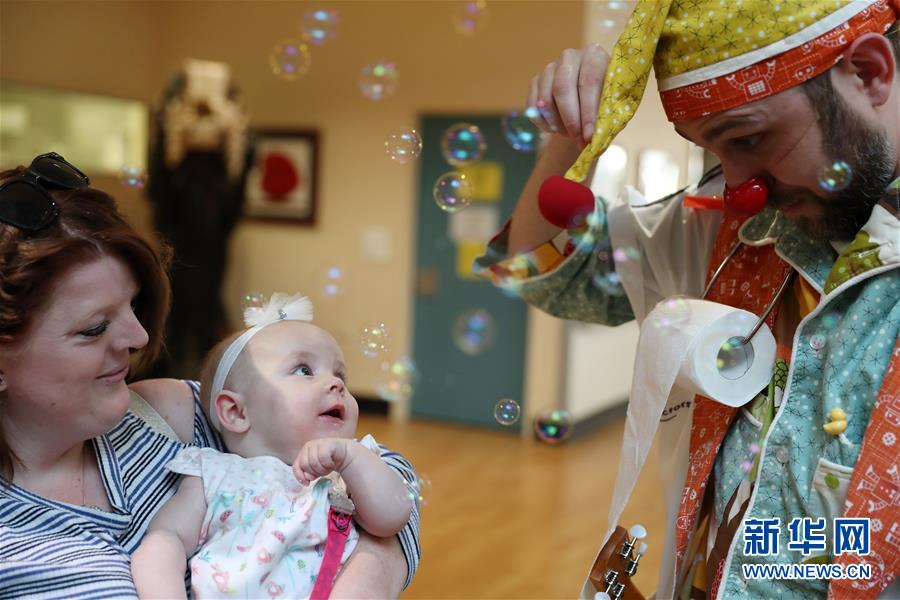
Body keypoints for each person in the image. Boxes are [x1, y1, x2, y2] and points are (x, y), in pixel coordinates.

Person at [476, 0, 899, 598]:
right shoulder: (728, 230)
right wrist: (567, 140)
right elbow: (544, 272)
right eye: (713, 152)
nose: (741, 191)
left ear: (869, 72)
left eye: (749, 137)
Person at [0, 154, 420, 599]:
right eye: (94, 327)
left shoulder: (164, 414)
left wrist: (369, 576)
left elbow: (391, 475)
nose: (140, 336)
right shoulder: (16, 551)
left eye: (133, 305)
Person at [131, 293, 413, 599]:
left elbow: (392, 518)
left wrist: (350, 458)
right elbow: (164, 542)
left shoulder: (348, 473)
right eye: (304, 370)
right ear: (237, 412)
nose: (337, 384)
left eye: (339, 373)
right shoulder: (212, 474)